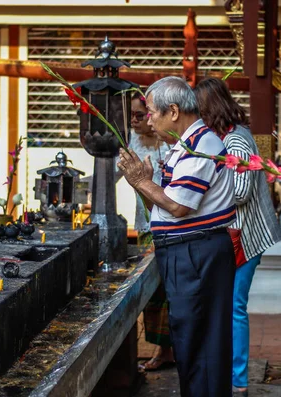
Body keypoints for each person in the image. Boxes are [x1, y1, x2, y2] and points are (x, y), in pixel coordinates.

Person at [117, 76, 237, 397]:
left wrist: (142, 182)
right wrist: (142, 183)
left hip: (196, 252)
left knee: (200, 343)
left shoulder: (203, 144)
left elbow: (178, 205)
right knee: (190, 339)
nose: (148, 119)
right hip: (188, 251)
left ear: (173, 111)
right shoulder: (187, 143)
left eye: (152, 112)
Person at [194, 77, 281, 396]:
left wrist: (200, 193)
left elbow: (241, 192)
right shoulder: (226, 138)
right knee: (229, 306)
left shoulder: (237, 142)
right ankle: (232, 373)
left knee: (234, 307)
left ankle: (239, 380)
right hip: (233, 235)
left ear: (210, 109)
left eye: (198, 112)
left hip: (243, 236)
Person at [127, 92, 174, 371]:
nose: (134, 120)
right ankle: (160, 348)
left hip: (166, 224)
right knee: (150, 292)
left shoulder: (168, 145)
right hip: (144, 224)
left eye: (139, 114)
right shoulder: (132, 141)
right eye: (131, 114)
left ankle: (166, 349)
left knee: (166, 291)